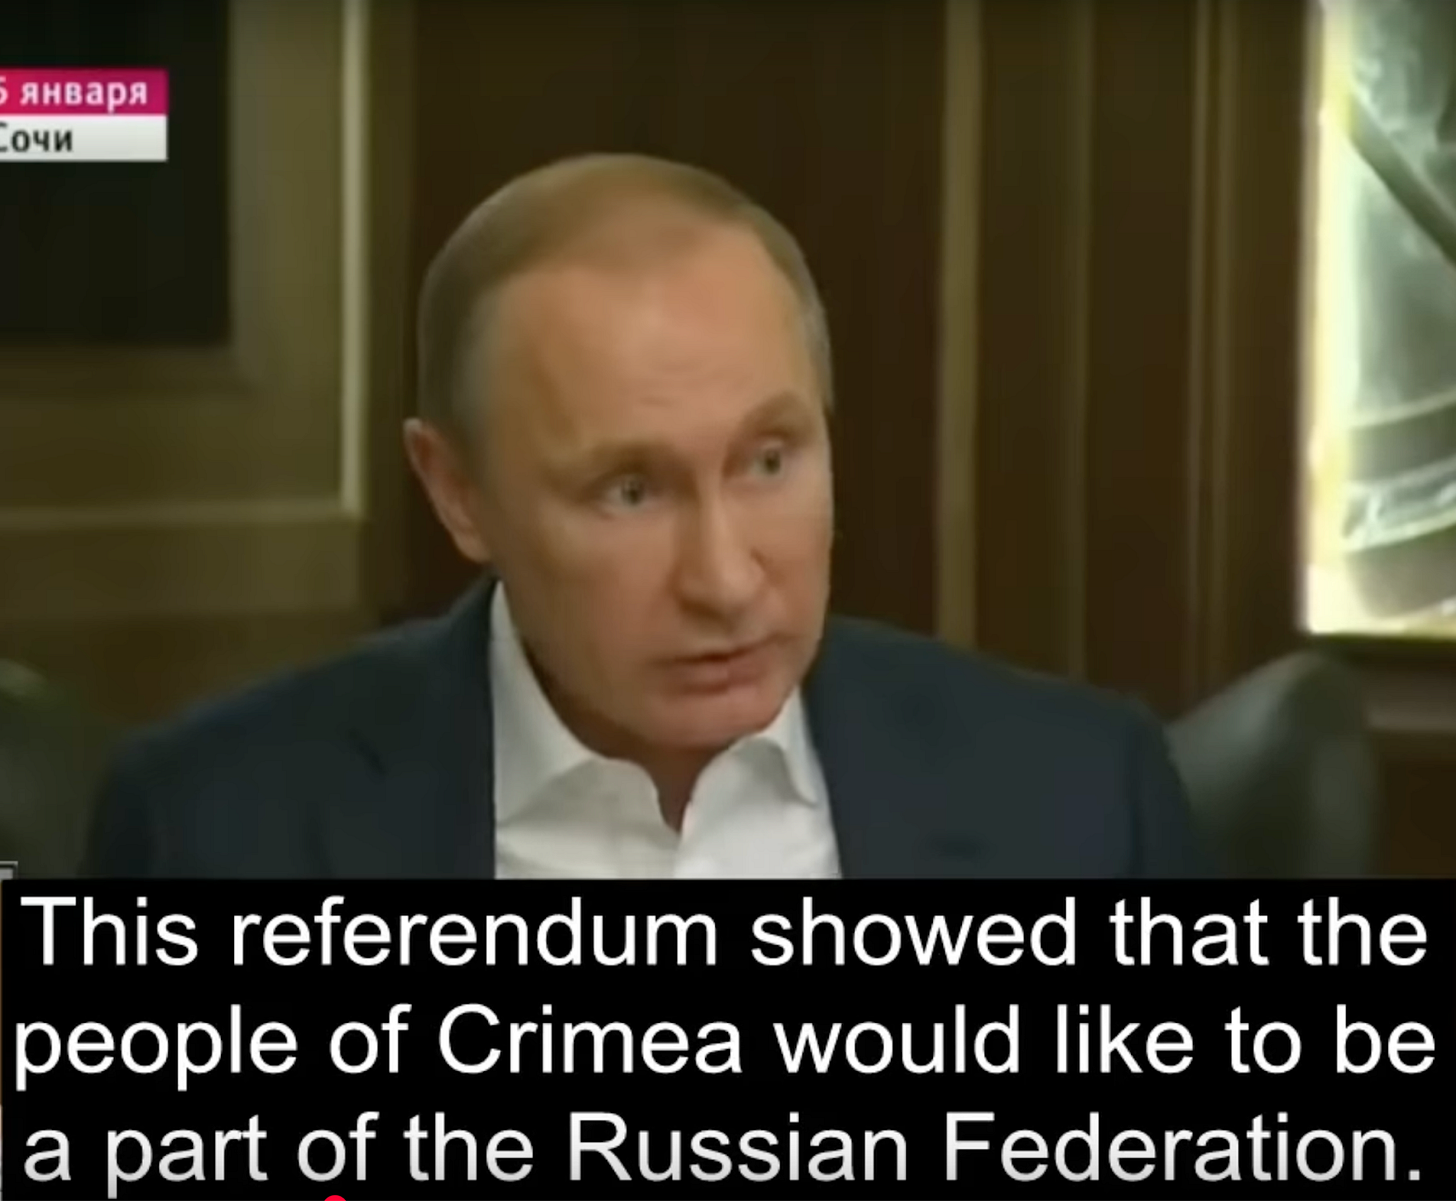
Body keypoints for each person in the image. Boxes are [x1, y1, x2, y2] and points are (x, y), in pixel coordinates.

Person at [84, 154, 1214, 879]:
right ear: (457, 491)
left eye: (768, 461)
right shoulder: (211, 830)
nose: (725, 580)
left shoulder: (1082, 801)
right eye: (630, 490)